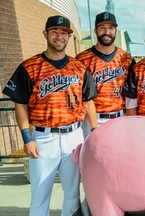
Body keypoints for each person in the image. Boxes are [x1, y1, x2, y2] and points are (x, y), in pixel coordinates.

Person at [2, 15, 97, 216]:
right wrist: (28, 139)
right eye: (54, 31)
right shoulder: (30, 66)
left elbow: (88, 103)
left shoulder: (79, 68)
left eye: (64, 33)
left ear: (69, 37)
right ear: (45, 34)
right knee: (40, 195)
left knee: (72, 195)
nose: (59, 36)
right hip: (43, 137)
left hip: (74, 136)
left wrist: (94, 133)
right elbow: (20, 105)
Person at [76, 11, 135, 138]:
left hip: (121, 117)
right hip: (93, 119)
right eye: (102, 28)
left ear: (115, 30)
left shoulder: (126, 58)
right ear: (95, 31)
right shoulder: (82, 59)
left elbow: (133, 94)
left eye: (110, 28)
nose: (107, 32)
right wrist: (92, 126)